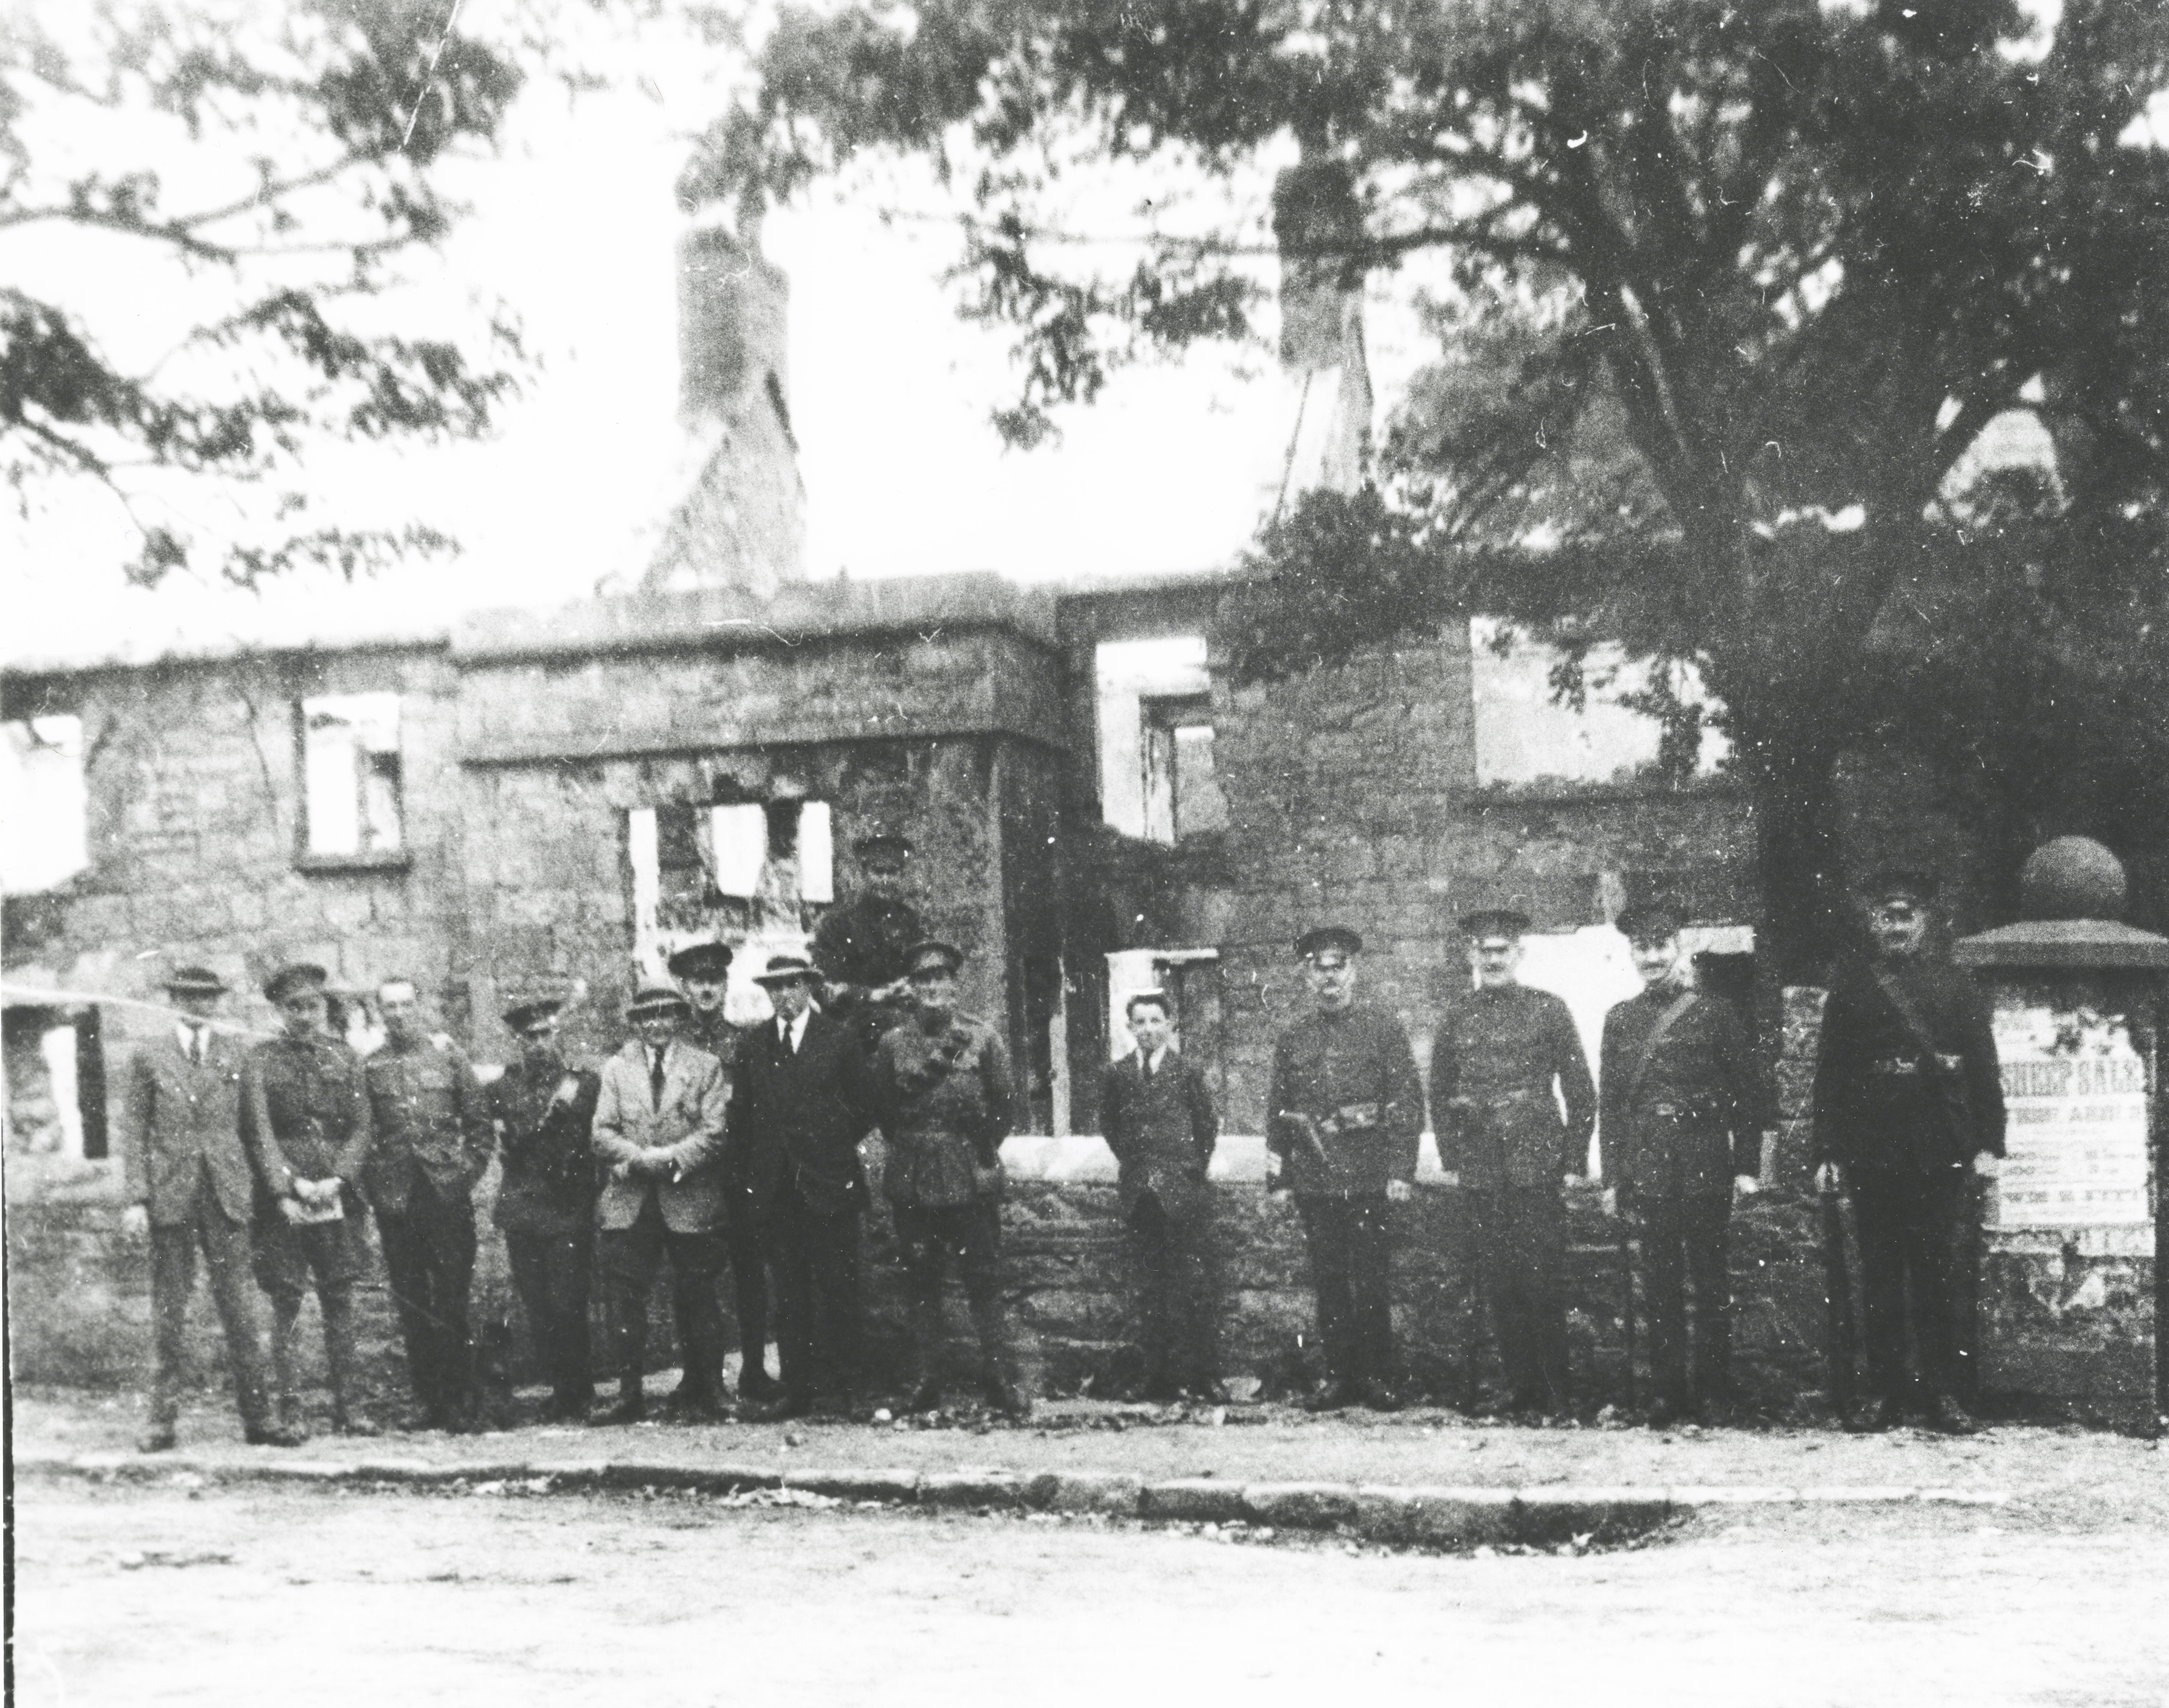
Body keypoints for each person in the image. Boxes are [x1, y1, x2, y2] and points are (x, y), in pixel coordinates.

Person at [1813, 869, 2005, 1435]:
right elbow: (1830, 1076)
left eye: (1906, 915)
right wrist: (1826, 1149)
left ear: (1924, 919)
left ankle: (1942, 1391)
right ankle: (1886, 1392)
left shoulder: (1957, 987)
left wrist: (1990, 1143)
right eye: (1885, 915)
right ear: (1872, 922)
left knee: (1935, 1274)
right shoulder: (1850, 990)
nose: (1896, 925)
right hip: (1871, 1149)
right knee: (1877, 1273)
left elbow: (1983, 1070)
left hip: (1935, 1148)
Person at [119, 965, 300, 1450]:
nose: (198, 1005)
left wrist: (280, 1189)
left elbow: (258, 1132)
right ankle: (161, 1422)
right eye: (187, 996)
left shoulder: (239, 1054)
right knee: (169, 1312)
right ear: (174, 998)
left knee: (240, 1309)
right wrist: (137, 1197)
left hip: (227, 1194)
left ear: (217, 1002)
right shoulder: (148, 1056)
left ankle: (260, 1420)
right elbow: (134, 1131)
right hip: (171, 1196)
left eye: (206, 997)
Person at [1598, 904, 1765, 1426]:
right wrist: (1611, 1177)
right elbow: (1612, 1104)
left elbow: (1748, 1093)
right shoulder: (1620, 1018)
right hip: (1649, 1167)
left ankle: (1714, 1391)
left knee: (1711, 1284)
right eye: (1641, 948)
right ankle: (1667, 1392)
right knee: (1661, 1283)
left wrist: (1745, 1165)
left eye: (1660, 946)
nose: (1652, 957)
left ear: (1677, 948)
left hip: (1704, 1163)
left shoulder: (1715, 1013)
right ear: (1632, 954)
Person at [1432, 908, 1597, 1421]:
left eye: (1503, 949)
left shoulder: (1548, 1010)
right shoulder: (1457, 1015)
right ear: (1472, 956)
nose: (1494, 958)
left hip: (1536, 1165)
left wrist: (1572, 1159)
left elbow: (1581, 1092)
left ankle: (1556, 1391)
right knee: (1500, 1283)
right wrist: (1456, 1158)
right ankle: (1520, 1389)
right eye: (1485, 950)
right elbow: (1439, 1094)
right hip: (1483, 1169)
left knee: (1542, 1279)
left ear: (1519, 954)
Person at [1265, 927, 1423, 1412]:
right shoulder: (1293, 1037)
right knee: (1330, 1281)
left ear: (1353, 970)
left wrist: (1401, 1168)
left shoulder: (1382, 1028)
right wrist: (1279, 1177)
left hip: (1369, 1174)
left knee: (1371, 1279)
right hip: (1316, 1180)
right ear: (1307, 975)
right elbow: (1278, 1108)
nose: (1329, 977)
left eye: (1338, 966)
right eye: (1320, 967)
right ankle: (1338, 1376)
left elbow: (1406, 1101)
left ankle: (1377, 1375)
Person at [869, 939, 1027, 1419]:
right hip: (914, 1174)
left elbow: (1004, 1106)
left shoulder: (983, 1038)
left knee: (983, 1278)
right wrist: (923, 1145)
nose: (933, 988)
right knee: (922, 1280)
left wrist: (972, 1149)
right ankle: (925, 1380)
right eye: (923, 980)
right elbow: (885, 1111)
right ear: (912, 988)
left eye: (940, 979)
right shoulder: (893, 1043)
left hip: (969, 1172)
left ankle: (1000, 1378)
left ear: (954, 985)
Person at [726, 952, 877, 1419]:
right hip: (777, 1191)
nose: (783, 995)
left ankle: (850, 1387)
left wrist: (827, 1144)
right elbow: (744, 1121)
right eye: (775, 987)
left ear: (810, 987)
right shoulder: (754, 1045)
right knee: (790, 1294)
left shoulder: (839, 1038)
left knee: (839, 1286)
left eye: (792, 985)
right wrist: (755, 1181)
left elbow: (865, 1106)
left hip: (828, 1183)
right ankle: (798, 1389)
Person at [242, 962, 377, 1435]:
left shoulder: (345, 1056)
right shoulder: (260, 1059)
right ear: (280, 1010)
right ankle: (292, 1410)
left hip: (338, 1194)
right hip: (288, 1199)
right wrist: (288, 1185)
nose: (304, 1015)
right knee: (289, 1302)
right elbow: (259, 1132)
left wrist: (339, 1177)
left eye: (312, 1005)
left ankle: (351, 1408)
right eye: (293, 1007)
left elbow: (363, 1125)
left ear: (324, 1007)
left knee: (341, 1297)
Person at [590, 985, 731, 1423]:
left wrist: (670, 1160)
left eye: (664, 1015)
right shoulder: (616, 1068)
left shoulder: (705, 1066)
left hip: (687, 1196)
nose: (655, 1024)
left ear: (679, 1019)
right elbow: (602, 1132)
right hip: (632, 1198)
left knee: (699, 1294)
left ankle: (710, 1389)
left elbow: (715, 1132)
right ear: (636, 1022)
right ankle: (628, 1394)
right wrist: (640, 1159)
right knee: (625, 1297)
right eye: (646, 1016)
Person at [363, 977, 494, 1431]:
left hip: (445, 1197)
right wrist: (379, 1191)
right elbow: (364, 1137)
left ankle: (460, 1398)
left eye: (405, 1004)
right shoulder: (372, 1067)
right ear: (380, 1013)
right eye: (389, 1007)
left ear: (419, 1007)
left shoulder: (449, 1057)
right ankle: (428, 1400)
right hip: (398, 1202)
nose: (398, 1013)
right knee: (412, 1301)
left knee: (453, 1298)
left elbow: (480, 1129)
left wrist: (462, 1178)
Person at [668, 940, 777, 1407]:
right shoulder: (673, 1047)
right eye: (698, 981)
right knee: (691, 1278)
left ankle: (753, 1370)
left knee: (750, 1275)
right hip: (692, 1177)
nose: (707, 988)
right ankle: (697, 1375)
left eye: (715, 979)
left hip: (739, 1173)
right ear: (684, 987)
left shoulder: (746, 1042)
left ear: (726, 984)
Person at [1101, 989, 1222, 1402]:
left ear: (1171, 1025)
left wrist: (1184, 1171)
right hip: (1140, 1195)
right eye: (1141, 1022)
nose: (1149, 1029)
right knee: (1149, 1289)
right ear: (1130, 1027)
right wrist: (1139, 1168)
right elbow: (1111, 1127)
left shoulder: (1187, 1071)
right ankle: (1158, 1376)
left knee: (1193, 1285)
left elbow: (1206, 1129)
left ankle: (1205, 1375)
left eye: (1157, 1021)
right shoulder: (1117, 1075)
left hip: (1182, 1192)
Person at [485, 998, 602, 1423]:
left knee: (568, 1301)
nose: (538, 1043)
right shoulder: (501, 1089)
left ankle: (579, 1389)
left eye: (545, 1033)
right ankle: (559, 1389)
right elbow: (499, 1143)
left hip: (568, 1206)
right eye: (529, 1036)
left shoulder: (583, 1084)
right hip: (523, 1209)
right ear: (517, 1041)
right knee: (537, 1304)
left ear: (557, 1034)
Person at [811, 833, 925, 1050]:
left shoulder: (910, 922)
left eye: (892, 873)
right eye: (878, 872)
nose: (885, 880)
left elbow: (922, 968)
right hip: (854, 1029)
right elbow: (823, 987)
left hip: (904, 1028)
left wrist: (910, 988)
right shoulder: (837, 923)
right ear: (864, 874)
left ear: (901, 876)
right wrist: (873, 995)